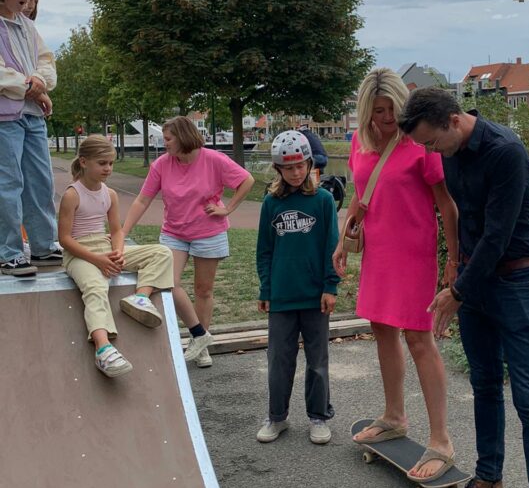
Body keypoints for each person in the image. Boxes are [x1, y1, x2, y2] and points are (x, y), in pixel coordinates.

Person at [399, 86, 529, 488]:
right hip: (475, 282)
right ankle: (488, 485)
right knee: (486, 388)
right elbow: (463, 223)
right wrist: (457, 278)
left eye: (435, 144)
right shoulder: (446, 149)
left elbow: (497, 233)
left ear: (454, 121)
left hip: (516, 282)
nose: (433, 154)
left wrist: (456, 293)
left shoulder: (506, 152)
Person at [333, 68, 459, 482]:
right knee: (381, 330)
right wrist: (342, 242)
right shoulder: (360, 142)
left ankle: (441, 439)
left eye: (392, 110)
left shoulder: (420, 144)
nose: (386, 119)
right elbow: (358, 195)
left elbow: (447, 206)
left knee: (419, 339)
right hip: (378, 254)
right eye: (378, 111)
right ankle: (394, 415)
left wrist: (453, 260)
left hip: (413, 254)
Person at [122, 116, 255, 367]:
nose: (165, 144)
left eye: (168, 139)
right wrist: (122, 231)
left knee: (203, 290)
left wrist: (227, 209)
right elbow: (142, 200)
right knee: (167, 283)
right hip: (174, 232)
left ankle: (201, 348)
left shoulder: (213, 159)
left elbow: (246, 180)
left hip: (209, 232)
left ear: (183, 136)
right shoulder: (162, 164)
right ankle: (199, 334)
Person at [58, 135, 174, 377]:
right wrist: (98, 260)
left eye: (110, 163)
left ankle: (141, 298)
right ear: (83, 162)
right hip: (79, 253)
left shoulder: (109, 194)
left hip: (105, 246)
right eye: (102, 163)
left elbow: (117, 231)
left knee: (161, 252)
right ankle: (103, 349)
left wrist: (118, 253)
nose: (108, 169)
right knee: (95, 288)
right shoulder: (72, 194)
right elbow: (65, 240)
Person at [256, 130, 339, 445]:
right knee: (279, 360)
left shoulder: (324, 201)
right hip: (281, 297)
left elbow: (331, 247)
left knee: (317, 361)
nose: (295, 172)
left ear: (309, 163)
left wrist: (330, 286)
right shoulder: (270, 203)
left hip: (315, 296)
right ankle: (277, 417)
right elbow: (264, 251)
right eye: (288, 168)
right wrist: (266, 289)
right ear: (278, 169)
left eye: (300, 165)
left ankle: (318, 416)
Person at [0, 0, 61, 277]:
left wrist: (39, 81)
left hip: (32, 116)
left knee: (40, 181)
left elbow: (47, 61)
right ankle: (8, 251)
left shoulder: (26, 25)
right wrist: (28, 84)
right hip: (4, 119)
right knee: (8, 183)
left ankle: (43, 244)